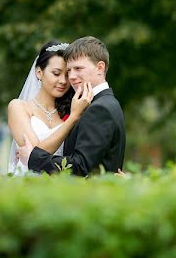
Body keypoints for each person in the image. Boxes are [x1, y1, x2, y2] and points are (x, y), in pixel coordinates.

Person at [17, 36, 126, 176]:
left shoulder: (100, 108)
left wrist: (32, 158)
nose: (71, 77)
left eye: (78, 68)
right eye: (69, 70)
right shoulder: (104, 103)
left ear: (100, 68)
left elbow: (80, 166)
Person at [7, 41, 93, 175]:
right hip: (25, 182)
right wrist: (73, 118)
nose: (63, 81)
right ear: (39, 72)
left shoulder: (72, 109)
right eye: (56, 73)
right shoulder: (18, 107)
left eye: (67, 75)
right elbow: (36, 154)